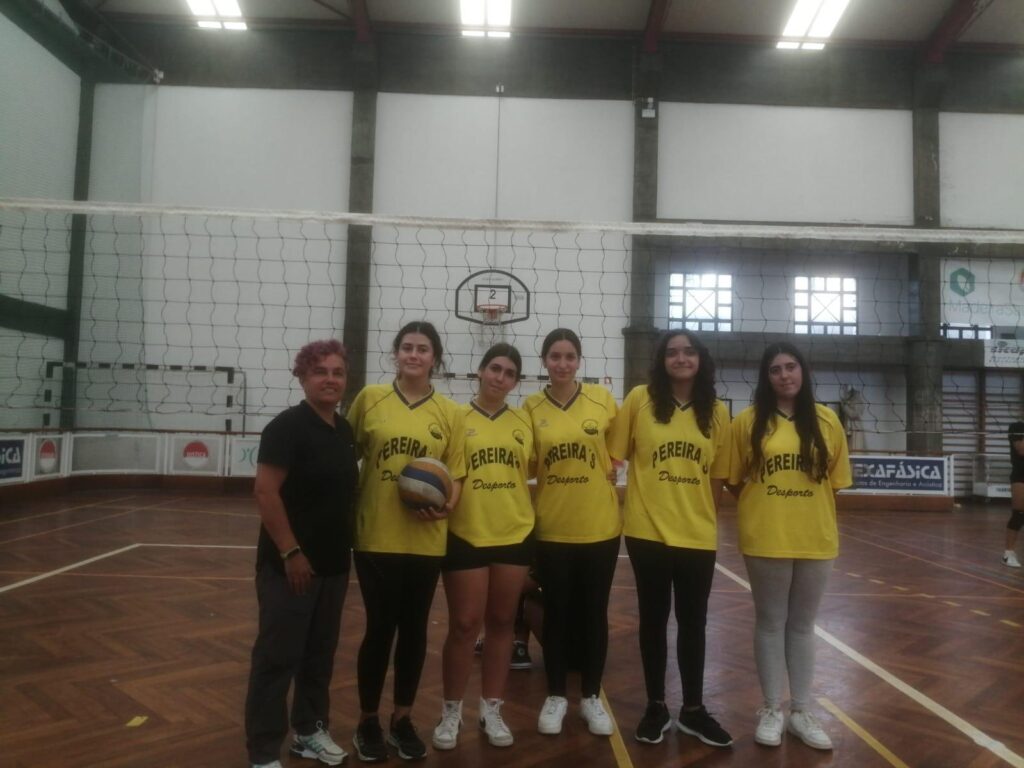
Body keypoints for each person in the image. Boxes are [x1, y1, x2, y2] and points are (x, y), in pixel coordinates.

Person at [347, 321, 466, 762]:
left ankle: (402, 718)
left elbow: (456, 475)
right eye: (407, 348)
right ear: (395, 354)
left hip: (426, 538)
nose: (414, 355)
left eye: (423, 349)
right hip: (375, 534)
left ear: (435, 357)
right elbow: (347, 456)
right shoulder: (369, 400)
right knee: (379, 629)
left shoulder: (450, 413)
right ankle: (367, 720)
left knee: (414, 631)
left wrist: (447, 505)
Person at [608, 330, 733, 748]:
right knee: (653, 620)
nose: (681, 358)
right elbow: (614, 457)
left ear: (701, 359)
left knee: (694, 623)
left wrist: (701, 515)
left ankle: (693, 710)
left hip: (697, 534)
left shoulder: (715, 412)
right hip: (647, 531)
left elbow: (718, 475)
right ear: (662, 360)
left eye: (689, 351)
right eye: (672, 352)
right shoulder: (640, 400)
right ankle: (656, 705)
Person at [728, 342, 851, 751]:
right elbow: (732, 478)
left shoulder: (827, 420)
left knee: (802, 625)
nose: (784, 375)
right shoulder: (747, 422)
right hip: (766, 535)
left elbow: (834, 481)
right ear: (766, 378)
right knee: (770, 621)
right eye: (776, 370)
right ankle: (770, 708)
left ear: (803, 371)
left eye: (791, 367)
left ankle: (800, 711)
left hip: (815, 537)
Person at [244, 339, 359, 768]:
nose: (330, 379)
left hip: (332, 564)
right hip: (289, 567)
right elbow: (265, 491)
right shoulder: (285, 428)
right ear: (302, 377)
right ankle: (262, 752)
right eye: (321, 372)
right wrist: (291, 552)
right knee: (277, 658)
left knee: (319, 655)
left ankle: (308, 731)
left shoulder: (344, 431)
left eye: (338, 372)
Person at [432, 343, 535, 750]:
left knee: (502, 623)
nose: (500, 377)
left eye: (509, 373)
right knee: (462, 625)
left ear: (515, 381)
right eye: (495, 368)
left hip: (514, 533)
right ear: (479, 371)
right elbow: (443, 472)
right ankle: (451, 711)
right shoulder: (456, 418)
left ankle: (492, 709)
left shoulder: (523, 422)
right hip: (466, 533)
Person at [525, 328, 621, 737]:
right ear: (544, 361)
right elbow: (527, 465)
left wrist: (609, 468)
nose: (562, 364)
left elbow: (616, 452)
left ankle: (592, 698)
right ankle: (556, 696)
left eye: (569, 356)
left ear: (579, 361)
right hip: (552, 527)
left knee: (595, 612)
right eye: (554, 356)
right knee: (557, 614)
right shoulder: (530, 407)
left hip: (600, 527)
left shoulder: (602, 400)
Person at [1003, 421, 1024, 568]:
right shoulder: (1017, 427)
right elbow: (1021, 450)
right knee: (1019, 513)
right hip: (1021, 476)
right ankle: (1008, 553)